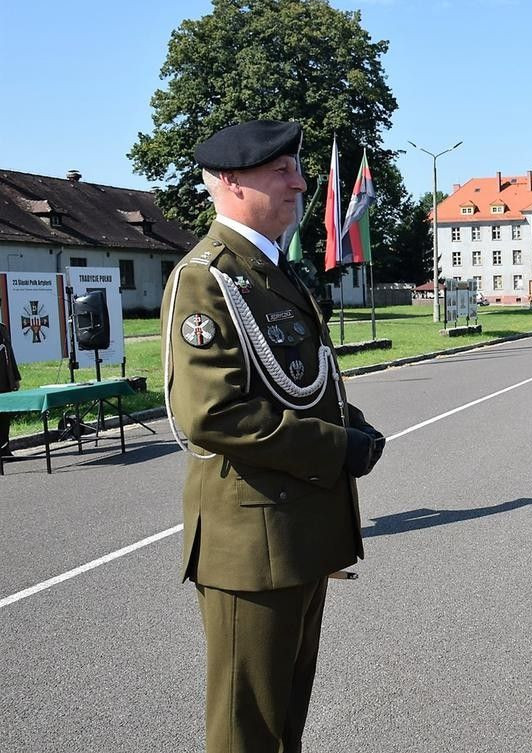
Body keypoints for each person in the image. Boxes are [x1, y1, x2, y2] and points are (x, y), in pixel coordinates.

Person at [161, 119, 385, 753]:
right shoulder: (206, 277)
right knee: (246, 732)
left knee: (285, 723)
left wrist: (349, 421)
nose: (300, 182)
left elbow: (296, 379)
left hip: (294, 534)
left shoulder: (271, 270)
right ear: (232, 182)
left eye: (296, 168)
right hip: (251, 543)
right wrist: (334, 447)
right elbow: (213, 412)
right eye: (281, 170)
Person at [0, 319, 20, 458]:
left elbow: (10, 354)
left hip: (4, 380)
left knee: (5, 417)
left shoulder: (2, 328)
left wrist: (16, 377)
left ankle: (5, 450)